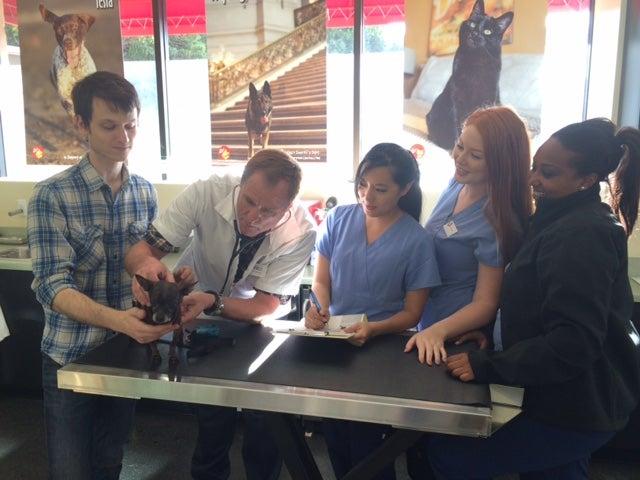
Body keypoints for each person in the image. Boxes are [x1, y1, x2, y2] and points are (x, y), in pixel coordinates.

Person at [427, 118, 640, 479]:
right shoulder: (556, 216)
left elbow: (573, 341)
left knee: (449, 457)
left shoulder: (581, 236)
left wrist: (489, 364)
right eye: (534, 168)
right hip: (559, 393)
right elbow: (536, 302)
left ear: (586, 180)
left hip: (578, 407)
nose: (532, 180)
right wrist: (493, 332)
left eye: (548, 173)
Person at [124, 148, 316, 480]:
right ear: (240, 184)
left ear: (288, 208)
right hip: (201, 315)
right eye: (249, 201)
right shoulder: (204, 193)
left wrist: (213, 301)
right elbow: (141, 252)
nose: (253, 216)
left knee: (265, 419)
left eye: (269, 211)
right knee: (212, 412)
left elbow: (265, 307)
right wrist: (146, 267)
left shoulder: (300, 232)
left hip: (265, 326)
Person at [27, 71, 169, 479]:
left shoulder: (144, 192)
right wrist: (119, 320)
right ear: (81, 124)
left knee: (110, 459)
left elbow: (144, 268)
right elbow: (52, 286)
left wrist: (162, 281)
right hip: (70, 354)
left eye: (130, 125)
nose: (123, 137)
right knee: (70, 468)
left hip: (125, 352)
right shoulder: (51, 196)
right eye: (109, 126)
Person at [305, 143, 441, 479]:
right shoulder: (338, 219)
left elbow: (413, 314)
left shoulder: (416, 240)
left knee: (368, 449)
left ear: (404, 189)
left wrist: (374, 329)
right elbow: (321, 281)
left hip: (383, 350)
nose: (367, 196)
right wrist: (318, 308)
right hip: (336, 343)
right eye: (362, 185)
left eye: (381, 189)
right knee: (336, 438)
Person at [405, 106, 532, 366]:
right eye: (460, 146)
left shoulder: (495, 221)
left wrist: (439, 331)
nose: (459, 158)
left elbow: (486, 302)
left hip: (454, 332)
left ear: (500, 163)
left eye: (475, 155)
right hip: (426, 319)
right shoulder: (458, 183)